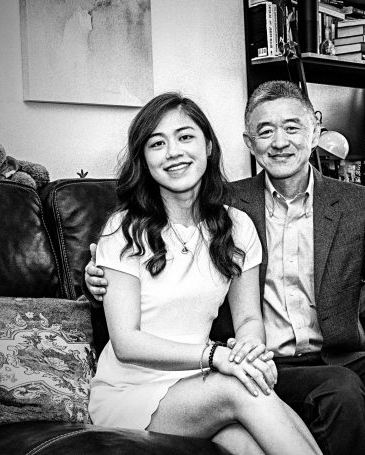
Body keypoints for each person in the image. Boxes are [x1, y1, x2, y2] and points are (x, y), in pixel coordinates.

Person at [86, 81, 365, 455]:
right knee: (295, 389)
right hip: (190, 378)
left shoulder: (238, 222)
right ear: (249, 142)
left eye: (292, 127)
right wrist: (97, 277)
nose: (280, 142)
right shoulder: (150, 223)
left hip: (287, 362)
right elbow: (130, 328)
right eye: (157, 143)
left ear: (315, 132)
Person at [87, 92, 322, 455]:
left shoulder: (237, 226)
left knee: (251, 443)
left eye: (185, 137)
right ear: (144, 159)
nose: (173, 152)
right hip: (131, 392)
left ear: (208, 146)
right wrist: (216, 356)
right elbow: (126, 342)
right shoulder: (124, 229)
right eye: (157, 143)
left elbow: (248, 319)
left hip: (199, 386)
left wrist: (250, 352)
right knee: (241, 387)